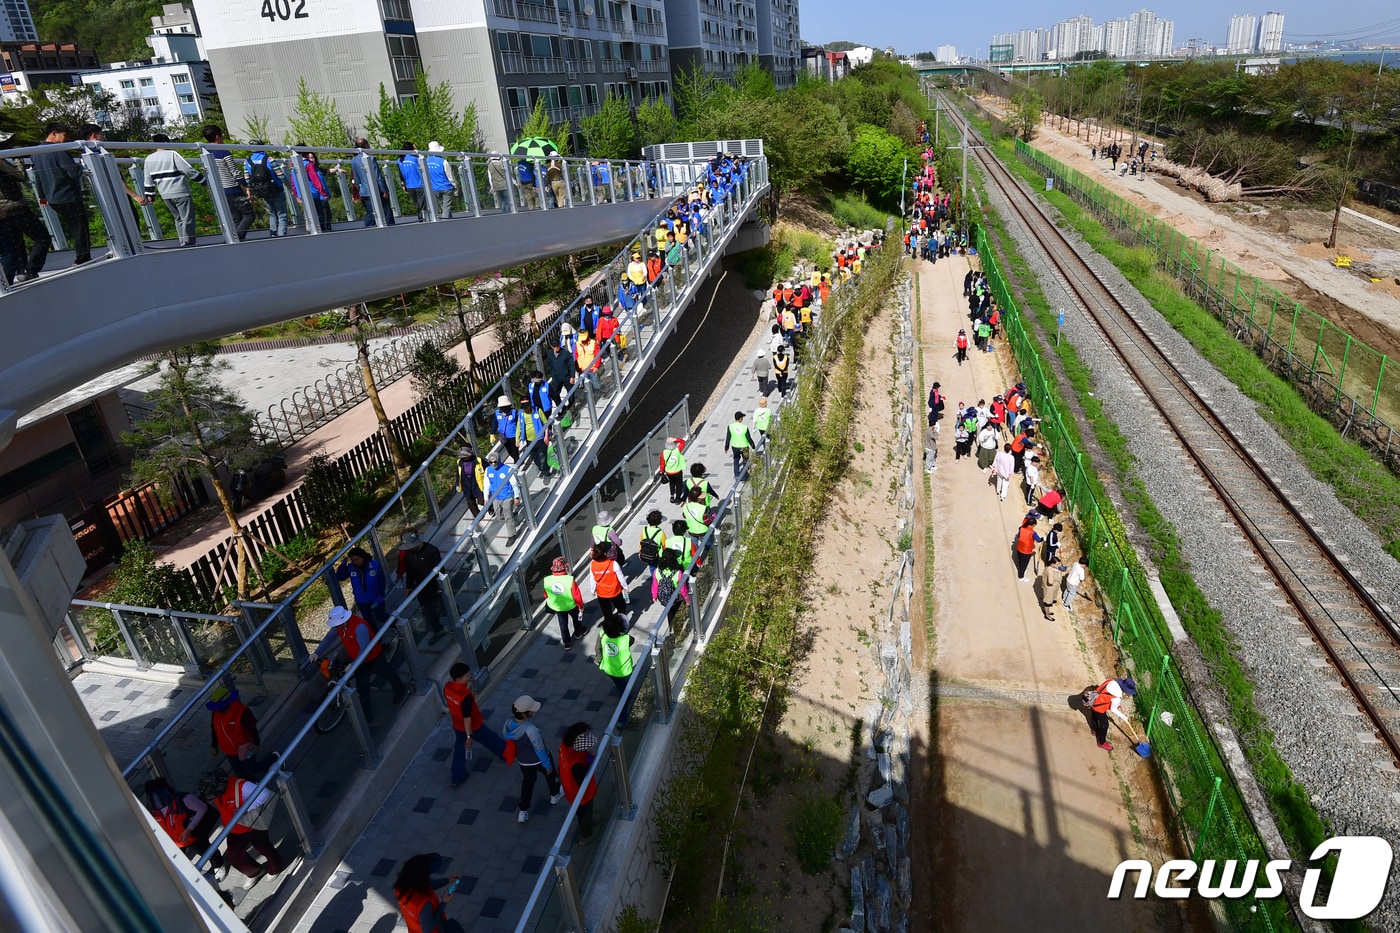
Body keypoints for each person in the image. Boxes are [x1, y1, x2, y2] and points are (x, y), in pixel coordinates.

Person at [324, 605, 405, 721]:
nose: (335, 627)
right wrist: (316, 653)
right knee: (362, 688)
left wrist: (353, 665)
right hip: (359, 662)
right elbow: (329, 638)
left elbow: (364, 650)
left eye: (336, 624)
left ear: (343, 621)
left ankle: (400, 690)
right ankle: (366, 714)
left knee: (388, 674)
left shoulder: (359, 627)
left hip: (373, 658)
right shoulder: (341, 627)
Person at [212, 772, 287, 888]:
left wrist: (245, 809)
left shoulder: (240, 785)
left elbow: (264, 794)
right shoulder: (217, 792)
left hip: (252, 825)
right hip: (234, 827)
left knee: (265, 849)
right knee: (234, 857)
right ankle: (254, 872)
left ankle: (276, 867)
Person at [31, 123, 92, 264]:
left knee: (74, 226)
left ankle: (82, 257)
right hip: (68, 195)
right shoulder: (59, 150)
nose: (67, 139)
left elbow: (37, 176)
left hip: (52, 197)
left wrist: (41, 195)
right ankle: (83, 258)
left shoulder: (35, 152)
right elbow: (73, 172)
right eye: (65, 135)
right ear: (54, 133)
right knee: (80, 227)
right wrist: (82, 166)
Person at [143, 778, 226, 880]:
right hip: (174, 841)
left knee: (206, 851)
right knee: (179, 860)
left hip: (192, 836)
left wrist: (189, 829)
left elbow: (202, 808)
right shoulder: (152, 808)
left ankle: (219, 865)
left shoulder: (183, 799)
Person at [443, 663, 506, 787]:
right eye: (467, 675)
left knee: (459, 751)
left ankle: (457, 777)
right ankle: (506, 752)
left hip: (457, 725)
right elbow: (467, 718)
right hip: (473, 726)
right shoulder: (465, 696)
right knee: (490, 738)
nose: (470, 677)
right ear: (459, 678)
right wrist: (469, 736)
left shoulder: (447, 688)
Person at [502, 695, 563, 823]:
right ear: (524, 714)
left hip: (524, 762)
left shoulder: (508, 724)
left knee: (528, 783)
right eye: (531, 711)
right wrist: (547, 765)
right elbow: (540, 749)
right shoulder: (531, 730)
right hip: (539, 760)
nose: (533, 712)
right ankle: (555, 794)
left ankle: (523, 810)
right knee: (551, 776)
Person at [0, 132, 50, 283]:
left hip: (3, 211)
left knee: (16, 244)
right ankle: (30, 270)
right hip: (13, 207)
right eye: (6, 143)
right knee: (42, 237)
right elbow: (21, 175)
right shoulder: (1, 161)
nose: (9, 146)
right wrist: (18, 157)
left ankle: (19, 273)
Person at [142, 134, 205, 247]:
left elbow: (147, 178)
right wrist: (202, 180)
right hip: (180, 190)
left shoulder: (149, 158)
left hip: (165, 193)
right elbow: (187, 169)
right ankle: (189, 243)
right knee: (187, 218)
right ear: (166, 142)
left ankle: (183, 242)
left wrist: (150, 194)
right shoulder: (172, 154)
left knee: (178, 218)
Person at [201, 125, 255, 241]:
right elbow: (235, 171)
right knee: (249, 214)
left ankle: (236, 240)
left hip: (219, 190)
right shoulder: (224, 153)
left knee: (236, 218)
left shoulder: (205, 154)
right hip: (232, 188)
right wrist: (246, 186)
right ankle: (237, 236)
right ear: (217, 136)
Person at [207, 684, 267, 780]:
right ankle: (253, 785)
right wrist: (214, 745)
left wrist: (256, 742)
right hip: (230, 751)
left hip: (245, 747)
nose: (217, 709)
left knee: (251, 769)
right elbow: (214, 728)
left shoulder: (242, 711)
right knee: (240, 773)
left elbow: (252, 728)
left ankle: (273, 760)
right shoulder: (215, 713)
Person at [394, 853, 465, 933]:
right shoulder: (424, 904)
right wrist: (444, 903)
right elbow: (427, 929)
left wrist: (447, 880)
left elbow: (428, 885)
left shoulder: (402, 888)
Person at [397, 531, 446, 640]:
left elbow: (440, 569)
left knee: (441, 603)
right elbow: (409, 572)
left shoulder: (431, 550)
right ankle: (437, 628)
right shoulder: (408, 554)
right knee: (428, 609)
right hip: (420, 587)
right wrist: (409, 586)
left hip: (434, 585)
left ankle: (443, 625)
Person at [558, 723, 599, 845]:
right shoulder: (576, 765)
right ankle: (585, 835)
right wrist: (590, 760)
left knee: (580, 812)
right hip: (582, 796)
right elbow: (583, 780)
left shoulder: (564, 746)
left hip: (570, 790)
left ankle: (588, 822)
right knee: (584, 814)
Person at [335, 546, 388, 628]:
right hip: (361, 601)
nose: (355, 562)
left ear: (363, 556)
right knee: (368, 621)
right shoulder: (351, 568)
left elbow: (381, 583)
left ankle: (395, 625)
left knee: (381, 616)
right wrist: (343, 565)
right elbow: (340, 577)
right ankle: (376, 635)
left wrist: (380, 597)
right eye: (353, 560)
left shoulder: (375, 565)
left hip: (376, 598)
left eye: (357, 559)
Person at [244, 142, 288, 237]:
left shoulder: (247, 161)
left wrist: (250, 190)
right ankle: (282, 235)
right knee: (282, 214)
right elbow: (280, 175)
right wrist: (288, 185)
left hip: (262, 191)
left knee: (272, 213)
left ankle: (273, 233)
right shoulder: (269, 159)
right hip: (276, 189)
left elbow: (247, 179)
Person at [1082, 676, 1137, 751]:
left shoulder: (1111, 681)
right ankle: (1101, 742)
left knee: (1094, 717)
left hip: (1093, 700)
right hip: (1099, 708)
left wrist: (1116, 704)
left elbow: (1104, 694)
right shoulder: (1116, 697)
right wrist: (1123, 716)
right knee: (1105, 725)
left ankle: (1094, 730)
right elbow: (1113, 709)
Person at [542, 556, 586, 650]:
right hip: (571, 605)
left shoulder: (547, 580)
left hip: (557, 607)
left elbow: (545, 595)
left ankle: (567, 643)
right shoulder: (569, 579)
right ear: (564, 568)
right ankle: (578, 632)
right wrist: (580, 605)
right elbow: (576, 595)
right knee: (576, 618)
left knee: (563, 624)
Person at [351, 138, 395, 226]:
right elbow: (377, 176)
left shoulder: (354, 161)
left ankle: (369, 228)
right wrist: (384, 190)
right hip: (376, 189)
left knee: (371, 211)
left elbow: (356, 178)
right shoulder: (371, 159)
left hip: (364, 191)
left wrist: (360, 190)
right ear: (366, 145)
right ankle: (390, 227)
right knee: (386, 209)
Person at [589, 541, 630, 622]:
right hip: (615, 592)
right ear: (605, 554)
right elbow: (621, 577)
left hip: (601, 593)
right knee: (621, 608)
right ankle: (621, 622)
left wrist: (592, 590)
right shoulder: (613, 564)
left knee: (606, 612)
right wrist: (625, 587)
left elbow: (592, 579)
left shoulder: (593, 565)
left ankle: (609, 624)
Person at [484, 452, 520, 540]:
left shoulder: (507, 469)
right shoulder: (488, 470)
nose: (493, 464)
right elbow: (486, 484)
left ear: (499, 460)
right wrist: (486, 498)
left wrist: (517, 497)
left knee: (508, 517)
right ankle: (511, 518)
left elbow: (514, 484)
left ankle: (512, 535)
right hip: (495, 497)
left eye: (495, 462)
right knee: (499, 516)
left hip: (507, 496)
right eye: (491, 462)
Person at [426, 142, 458, 218]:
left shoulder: (425, 161)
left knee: (444, 207)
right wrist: (455, 185)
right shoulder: (443, 161)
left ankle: (449, 220)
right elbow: (450, 176)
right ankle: (445, 221)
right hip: (446, 187)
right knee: (446, 208)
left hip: (434, 188)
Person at [397, 143, 426, 221]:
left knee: (416, 203)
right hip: (419, 184)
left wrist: (403, 184)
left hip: (409, 185)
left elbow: (400, 173)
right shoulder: (416, 158)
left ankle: (420, 218)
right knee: (422, 203)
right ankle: (425, 218)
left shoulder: (400, 160)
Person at [456, 448, 486, 518]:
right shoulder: (459, 462)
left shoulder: (478, 460)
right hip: (466, 486)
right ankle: (477, 516)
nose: (463, 458)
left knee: (482, 501)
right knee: (470, 502)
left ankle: (490, 507)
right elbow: (458, 474)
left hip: (477, 484)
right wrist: (457, 484)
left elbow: (487, 468)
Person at [724, 410, 754, 478]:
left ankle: (737, 474)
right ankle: (745, 474)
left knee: (736, 459)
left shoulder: (730, 426)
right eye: (742, 417)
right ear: (740, 418)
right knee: (746, 460)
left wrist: (726, 447)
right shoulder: (745, 427)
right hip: (744, 447)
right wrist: (753, 446)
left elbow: (728, 438)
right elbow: (749, 438)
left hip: (735, 447)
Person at [492, 394, 522, 462]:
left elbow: (518, 423)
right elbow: (494, 423)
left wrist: (520, 433)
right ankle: (517, 459)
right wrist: (492, 433)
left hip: (513, 435)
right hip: (502, 435)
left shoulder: (514, 412)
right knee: (509, 450)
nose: (504, 408)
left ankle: (517, 462)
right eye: (502, 407)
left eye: (505, 406)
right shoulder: (497, 413)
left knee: (514, 450)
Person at [638, 509, 666, 581]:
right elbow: (664, 545)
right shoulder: (661, 532)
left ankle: (655, 581)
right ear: (659, 521)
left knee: (652, 568)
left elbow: (641, 542)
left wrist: (640, 551)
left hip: (648, 554)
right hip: (658, 555)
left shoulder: (644, 530)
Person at [659, 437, 687, 504]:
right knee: (679, 485)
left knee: (672, 483)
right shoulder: (677, 450)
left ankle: (672, 496)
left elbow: (662, 463)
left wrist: (661, 471)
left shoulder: (663, 452)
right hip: (677, 471)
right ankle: (677, 499)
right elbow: (683, 442)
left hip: (669, 472)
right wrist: (675, 439)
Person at [1013, 517, 1041, 582]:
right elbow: (1038, 540)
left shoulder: (1021, 528)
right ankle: (1021, 577)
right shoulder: (1033, 532)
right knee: (1024, 564)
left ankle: (1022, 570)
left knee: (1020, 561)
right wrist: (1042, 539)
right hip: (1026, 551)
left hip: (1019, 548)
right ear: (1033, 524)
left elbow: (1019, 536)